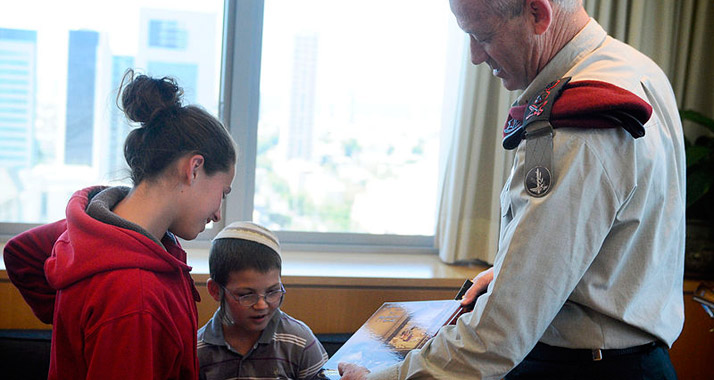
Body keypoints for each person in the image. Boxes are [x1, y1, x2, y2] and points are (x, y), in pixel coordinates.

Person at [339, 0, 685, 379]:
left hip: (581, 368)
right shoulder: (634, 69)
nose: (474, 56)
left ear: (538, 13)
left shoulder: (571, 129)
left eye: (483, 36)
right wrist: (514, 271)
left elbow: (497, 337)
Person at [3, 69, 237, 379]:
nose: (218, 213)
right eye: (222, 192)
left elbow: (22, 252)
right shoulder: (135, 296)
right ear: (194, 169)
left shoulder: (96, 228)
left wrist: (76, 325)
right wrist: (87, 322)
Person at [197, 221, 329, 379]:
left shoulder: (300, 341)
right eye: (246, 295)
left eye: (273, 291)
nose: (261, 305)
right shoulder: (198, 350)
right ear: (215, 290)